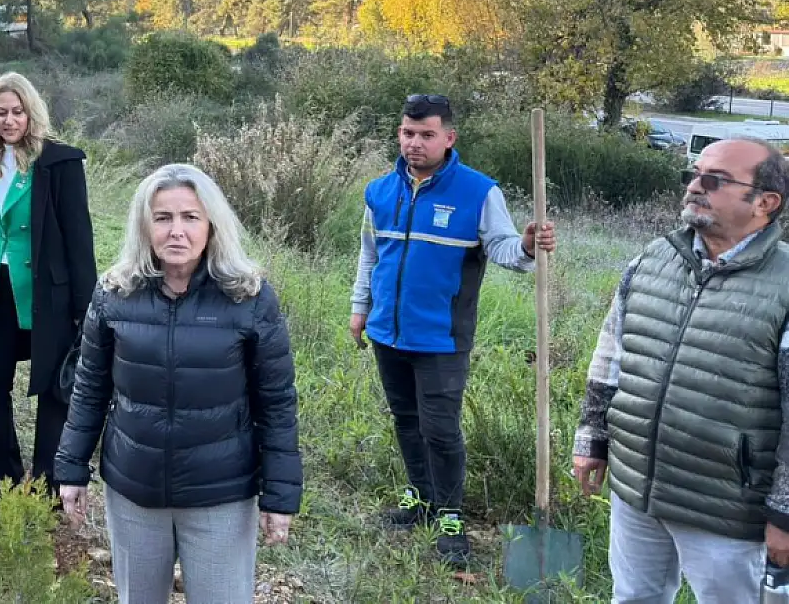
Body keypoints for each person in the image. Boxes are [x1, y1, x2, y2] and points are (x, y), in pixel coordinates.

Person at [57, 164, 301, 604]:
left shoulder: (249, 297)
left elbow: (277, 403)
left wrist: (280, 494)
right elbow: (90, 387)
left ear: (212, 224)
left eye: (190, 217)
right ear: (144, 225)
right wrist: (71, 467)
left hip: (220, 493)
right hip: (134, 487)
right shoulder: (114, 292)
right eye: (163, 217)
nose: (177, 231)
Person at [572, 137, 789, 601]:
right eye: (694, 174)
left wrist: (784, 512)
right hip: (637, 484)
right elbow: (610, 354)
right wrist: (592, 436)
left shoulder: (785, 284)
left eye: (715, 179)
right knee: (633, 597)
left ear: (765, 202)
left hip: (728, 504)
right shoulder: (653, 258)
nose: (695, 186)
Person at [350, 93, 556, 566]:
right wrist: (360, 308)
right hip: (387, 331)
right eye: (407, 133)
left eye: (426, 135)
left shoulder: (478, 192)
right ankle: (420, 499)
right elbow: (369, 256)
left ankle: (450, 515)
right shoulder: (380, 192)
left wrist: (527, 244)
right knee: (406, 420)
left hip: (441, 337)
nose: (415, 143)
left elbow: (506, 251)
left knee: (440, 429)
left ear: (448, 137)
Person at [0, 71, 96, 507]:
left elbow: (79, 239)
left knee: (54, 388)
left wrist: (85, 306)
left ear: (31, 113)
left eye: (17, 111)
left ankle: (50, 488)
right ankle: (0, 484)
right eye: (0, 112)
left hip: (47, 295)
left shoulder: (59, 163)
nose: (9, 120)